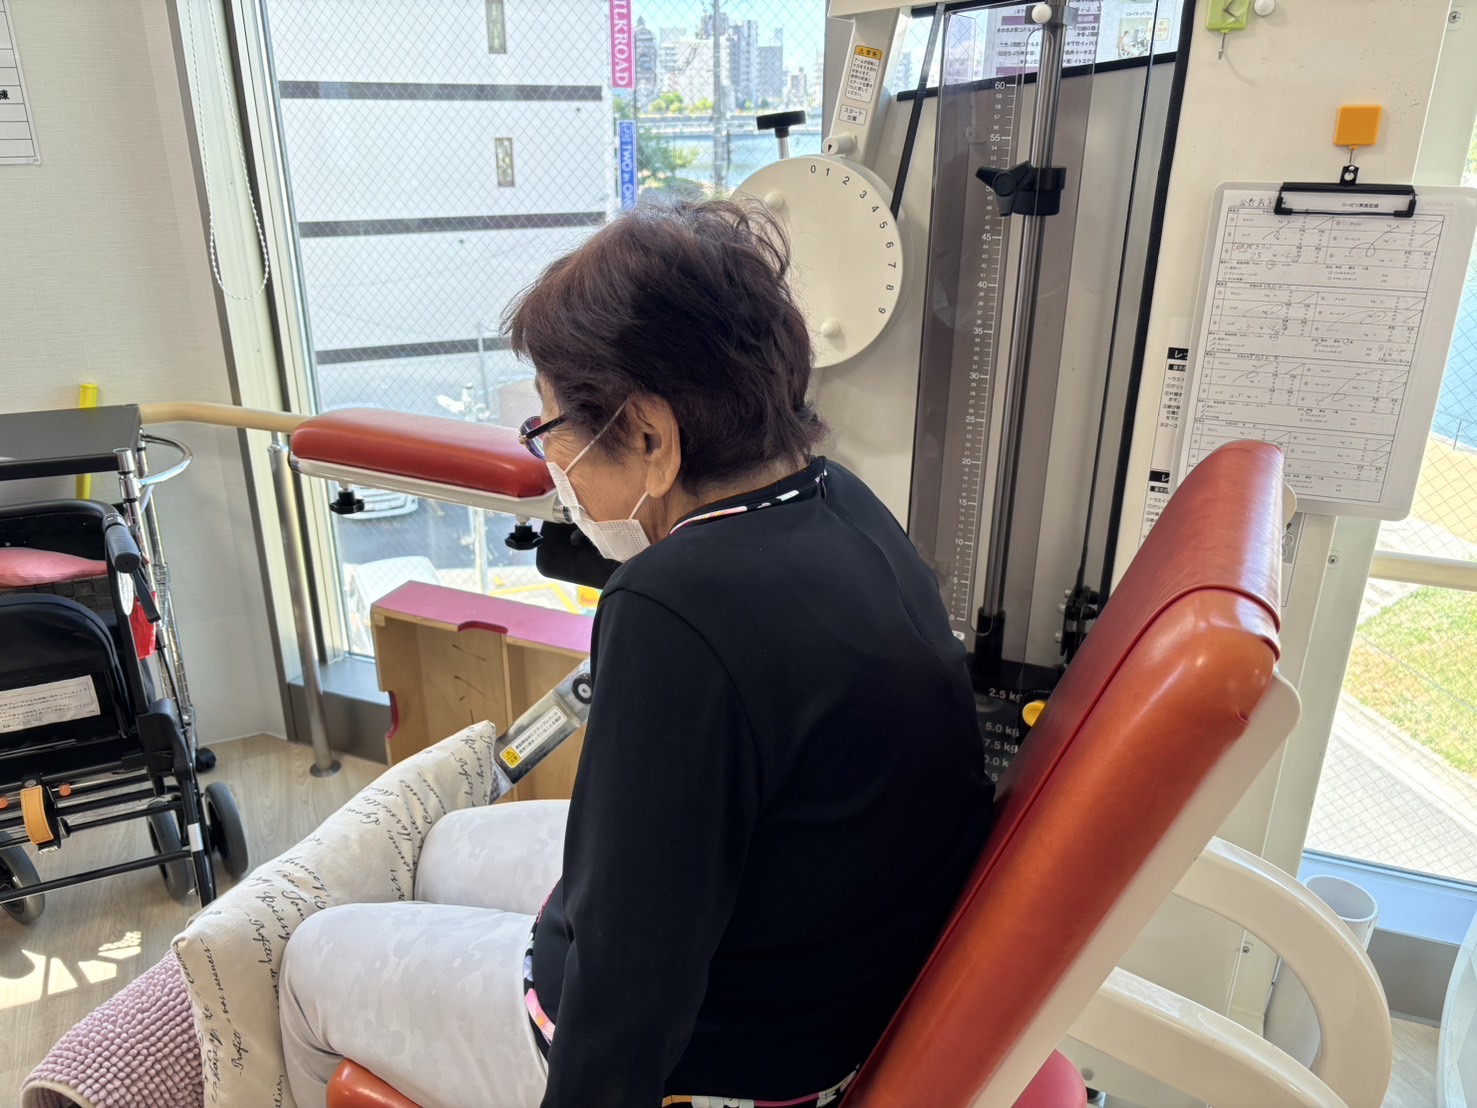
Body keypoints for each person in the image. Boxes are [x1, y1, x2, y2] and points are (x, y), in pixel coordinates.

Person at [279, 199, 994, 1108]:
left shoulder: (672, 607)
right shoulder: (839, 502)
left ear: (651, 435)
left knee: (312, 957)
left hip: (721, 1064)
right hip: (815, 972)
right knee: (446, 847)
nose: (553, 467)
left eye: (551, 433)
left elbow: (632, 978)